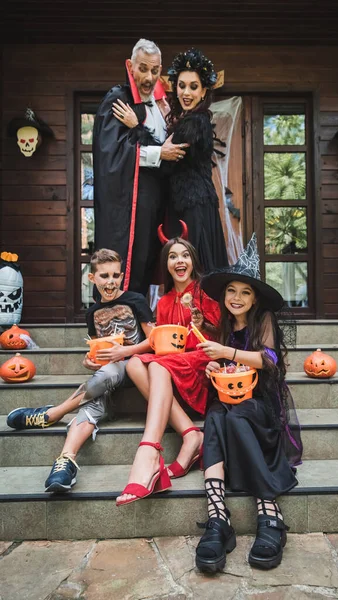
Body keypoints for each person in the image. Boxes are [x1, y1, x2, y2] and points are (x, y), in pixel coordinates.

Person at [194, 234, 303, 573]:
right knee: (214, 418)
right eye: (231, 291)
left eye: (245, 292)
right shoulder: (224, 326)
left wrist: (227, 353)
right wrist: (216, 365)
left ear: (255, 299)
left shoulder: (264, 321)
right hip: (229, 397)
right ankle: (217, 516)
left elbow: (268, 360)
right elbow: (229, 368)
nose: (237, 297)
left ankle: (269, 512)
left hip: (262, 403)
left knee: (238, 418)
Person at [6, 249, 155, 492]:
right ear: (92, 278)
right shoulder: (92, 313)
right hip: (107, 376)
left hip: (138, 368)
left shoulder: (135, 300)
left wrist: (123, 353)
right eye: (104, 276)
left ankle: (53, 413)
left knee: (108, 373)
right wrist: (89, 361)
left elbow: (153, 341)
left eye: (116, 276)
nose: (110, 282)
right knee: (95, 400)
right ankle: (66, 461)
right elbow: (98, 348)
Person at [116, 236, 220, 506]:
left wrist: (203, 322)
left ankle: (149, 450)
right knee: (135, 363)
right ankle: (190, 433)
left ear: (193, 261)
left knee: (158, 363)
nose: (179, 261)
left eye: (184, 255)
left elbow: (222, 336)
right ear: (167, 265)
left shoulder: (205, 292)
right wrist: (126, 351)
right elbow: (158, 343)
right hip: (173, 363)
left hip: (202, 362)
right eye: (173, 257)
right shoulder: (163, 302)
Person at [115, 47, 228, 272]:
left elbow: (166, 162)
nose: (186, 92)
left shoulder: (195, 123)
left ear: (204, 92)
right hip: (186, 205)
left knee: (194, 272)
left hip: (193, 208)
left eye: (194, 87)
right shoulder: (187, 120)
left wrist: (136, 126)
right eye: (182, 85)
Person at [94, 38, 188, 295]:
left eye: (155, 70)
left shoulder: (162, 105)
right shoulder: (119, 98)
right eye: (143, 68)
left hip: (156, 200)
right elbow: (111, 153)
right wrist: (160, 153)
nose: (148, 77)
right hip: (129, 202)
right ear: (130, 65)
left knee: (148, 264)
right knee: (127, 265)